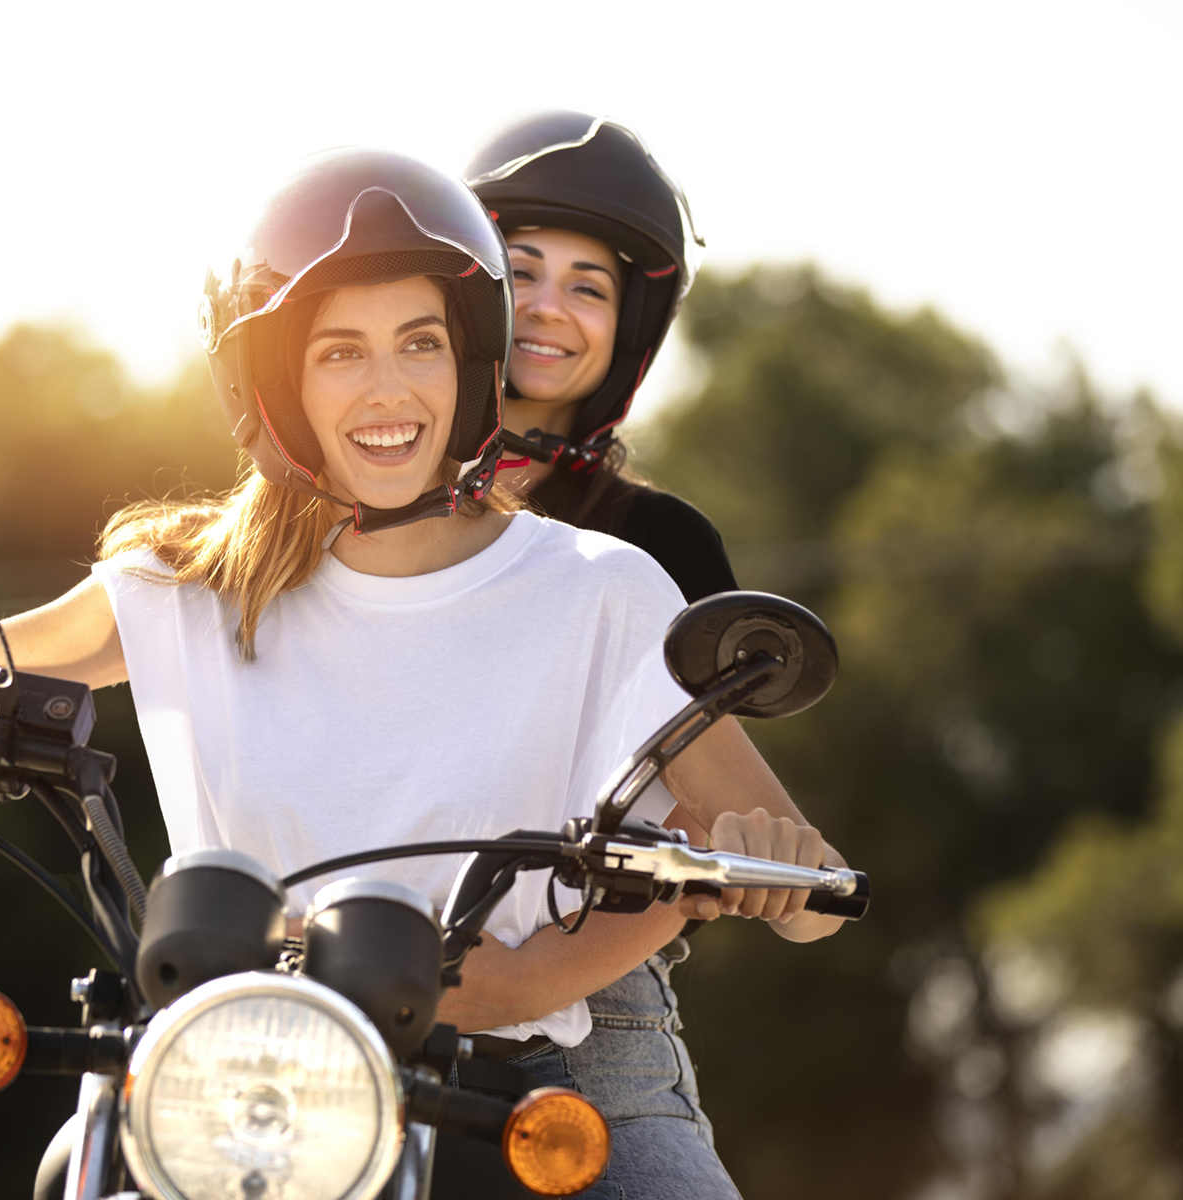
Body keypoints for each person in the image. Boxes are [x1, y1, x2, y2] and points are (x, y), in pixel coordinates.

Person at [0, 148, 841, 1197]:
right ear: (277, 385)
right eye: (338, 352)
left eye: (419, 342)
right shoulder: (183, 583)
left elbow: (805, 895)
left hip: (504, 1091)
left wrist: (754, 877)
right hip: (234, 1089)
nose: (387, 389)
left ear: (469, 363)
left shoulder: (602, 590)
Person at [464, 111, 759, 1197]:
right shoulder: (330, 505)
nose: (546, 308)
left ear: (626, 329)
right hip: (324, 977)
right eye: (518, 269)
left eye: (587, 287)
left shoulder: (656, 549)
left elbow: (711, 799)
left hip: (583, 1018)